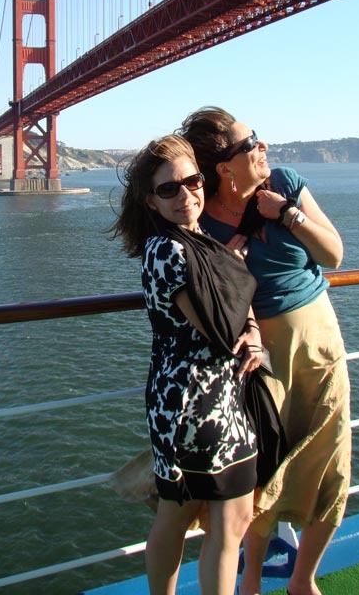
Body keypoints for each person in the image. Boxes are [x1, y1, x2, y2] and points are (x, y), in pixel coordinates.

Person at [180, 107, 351, 595]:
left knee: (328, 460)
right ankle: (250, 581)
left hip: (317, 346)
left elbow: (333, 254)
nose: (263, 147)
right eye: (249, 142)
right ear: (223, 168)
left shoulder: (286, 183)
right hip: (257, 359)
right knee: (261, 471)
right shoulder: (201, 218)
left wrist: (289, 215)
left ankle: (303, 581)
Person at [110, 133, 264, 595]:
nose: (185, 195)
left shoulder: (200, 243)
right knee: (222, 520)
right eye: (167, 189)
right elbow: (219, 325)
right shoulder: (168, 251)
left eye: (191, 181)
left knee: (182, 515)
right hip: (197, 406)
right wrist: (236, 272)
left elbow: (235, 316)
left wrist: (251, 326)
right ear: (150, 201)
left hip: (199, 400)